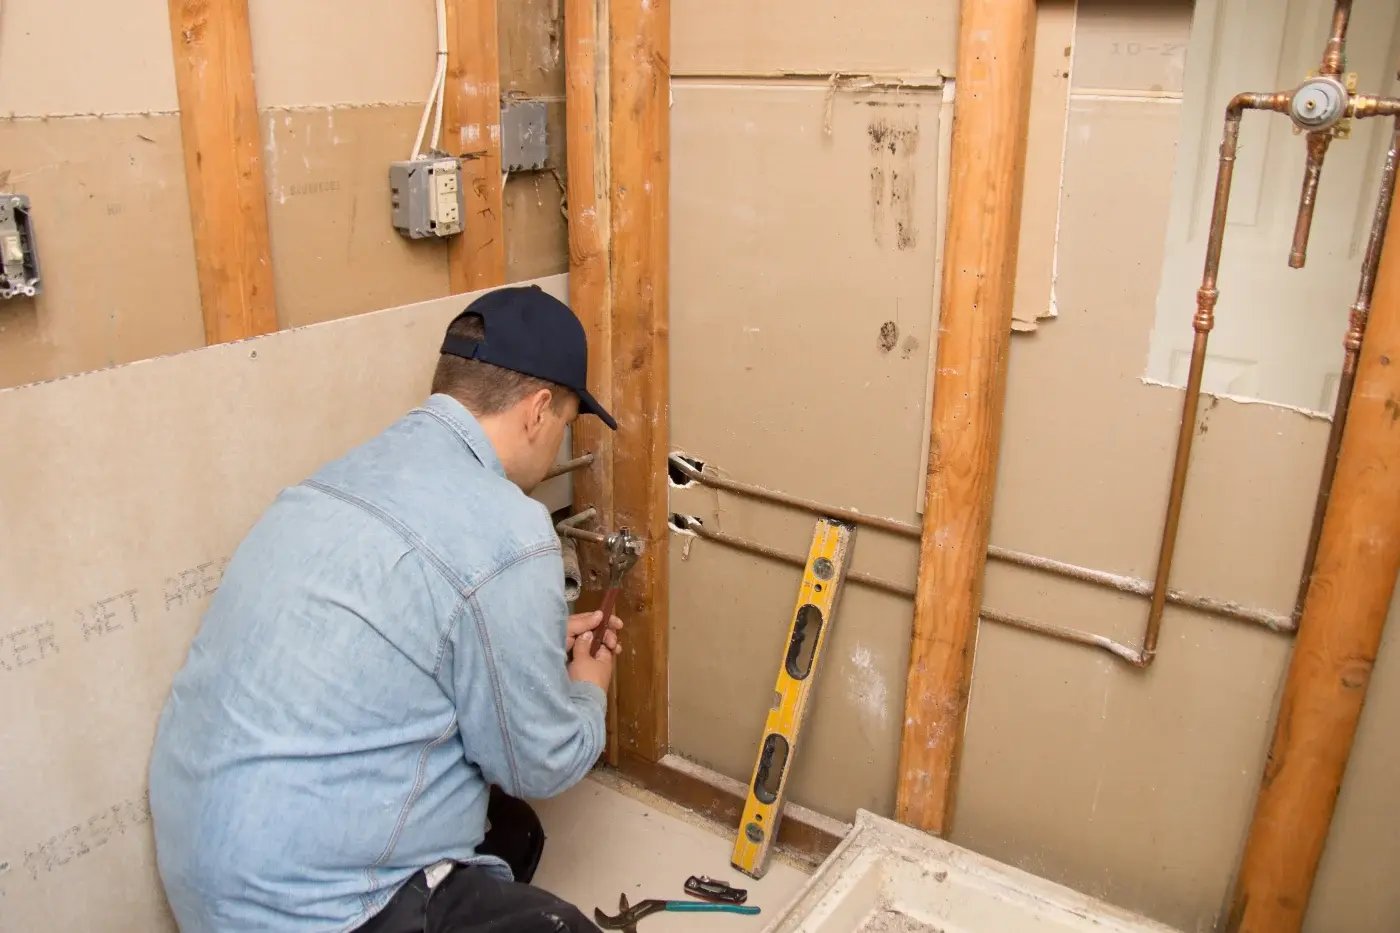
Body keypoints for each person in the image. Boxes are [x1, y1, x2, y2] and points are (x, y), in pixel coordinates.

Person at [148, 285, 622, 932]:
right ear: (538, 411)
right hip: (315, 909)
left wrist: (527, 644)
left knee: (514, 837)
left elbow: (403, 642)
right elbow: (540, 761)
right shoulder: (509, 527)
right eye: (566, 421)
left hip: (205, 876)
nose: (556, 443)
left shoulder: (337, 478)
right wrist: (587, 689)